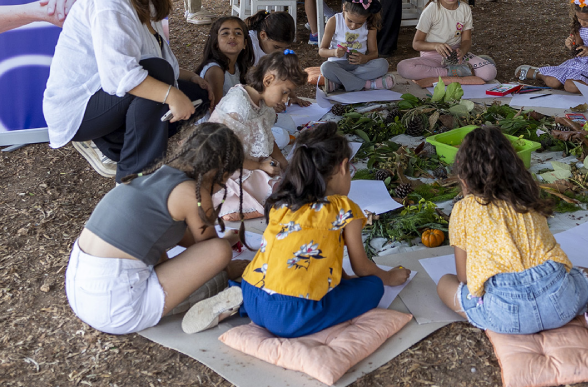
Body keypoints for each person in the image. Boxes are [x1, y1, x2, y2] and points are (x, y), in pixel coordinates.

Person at [435, 126, 588, 347]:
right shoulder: (527, 196)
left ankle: (495, 316)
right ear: (515, 166)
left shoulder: (463, 210)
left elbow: (463, 278)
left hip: (505, 314)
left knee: (444, 282)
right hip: (560, 302)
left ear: (464, 178)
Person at [42, 0, 214, 179]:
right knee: (160, 77)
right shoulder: (109, 3)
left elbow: (146, 53)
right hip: (80, 108)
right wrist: (171, 94)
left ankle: (113, 146)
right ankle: (135, 174)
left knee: (197, 94)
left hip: (108, 94)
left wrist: (187, 77)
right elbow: (122, 75)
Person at [66, 123, 247, 336]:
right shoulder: (194, 194)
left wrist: (226, 237)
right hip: (116, 308)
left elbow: (183, 238)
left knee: (168, 247)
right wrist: (230, 255)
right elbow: (210, 249)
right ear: (223, 175)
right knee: (220, 254)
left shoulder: (152, 178)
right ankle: (209, 300)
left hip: (79, 291)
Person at [239, 123, 409, 338]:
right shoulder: (344, 209)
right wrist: (390, 277)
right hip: (290, 313)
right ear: (344, 167)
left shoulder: (283, 203)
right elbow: (362, 268)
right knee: (373, 286)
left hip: (252, 295)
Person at [207, 50, 303, 221]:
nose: (286, 100)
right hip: (226, 168)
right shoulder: (237, 106)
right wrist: (259, 167)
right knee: (274, 188)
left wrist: (283, 162)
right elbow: (224, 155)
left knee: (288, 180)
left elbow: (267, 136)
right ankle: (232, 209)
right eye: (285, 92)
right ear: (268, 80)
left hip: (249, 163)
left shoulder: (263, 103)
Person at [398, 0, 496, 87]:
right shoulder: (431, 10)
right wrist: (436, 46)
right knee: (404, 68)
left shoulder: (465, 9)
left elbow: (466, 40)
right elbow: (416, 44)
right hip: (432, 57)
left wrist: (462, 50)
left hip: (456, 56)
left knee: (489, 73)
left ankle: (449, 73)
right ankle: (451, 73)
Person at [316, 0, 393, 93]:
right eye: (350, 21)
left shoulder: (370, 25)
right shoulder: (334, 21)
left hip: (359, 66)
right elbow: (322, 51)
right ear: (344, 8)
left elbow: (374, 53)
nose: (353, 26)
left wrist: (365, 58)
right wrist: (334, 52)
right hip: (338, 65)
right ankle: (366, 84)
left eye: (359, 23)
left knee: (382, 65)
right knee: (325, 68)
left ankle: (340, 82)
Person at [197, 16, 255, 114]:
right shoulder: (215, 71)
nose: (232, 36)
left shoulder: (238, 66)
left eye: (238, 33)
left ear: (245, 43)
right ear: (215, 42)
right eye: (225, 33)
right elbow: (216, 112)